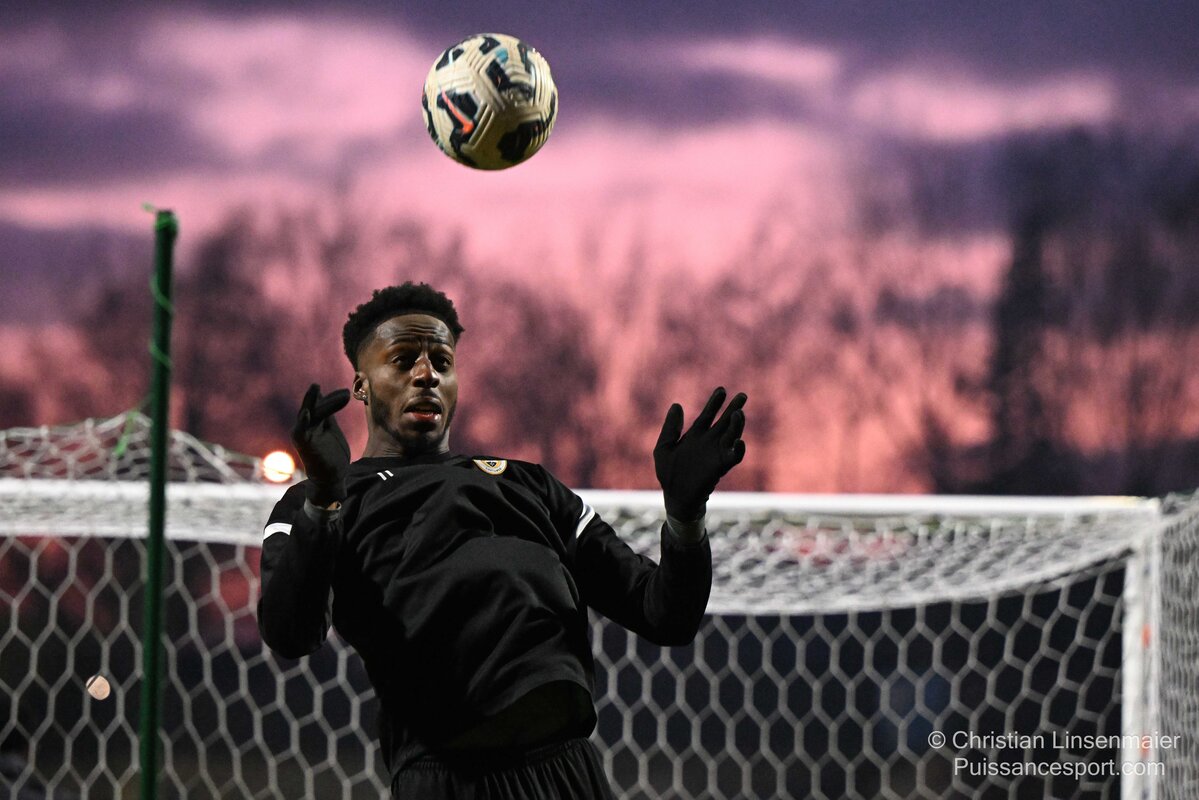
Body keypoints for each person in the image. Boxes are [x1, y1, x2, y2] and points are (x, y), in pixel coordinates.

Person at [257, 282, 747, 798]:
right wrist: (324, 498)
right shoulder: (325, 500)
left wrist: (685, 518)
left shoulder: (530, 485)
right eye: (402, 361)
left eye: (442, 362)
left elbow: (665, 614)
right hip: (448, 780)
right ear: (361, 386)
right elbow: (290, 632)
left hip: (568, 773)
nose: (426, 375)